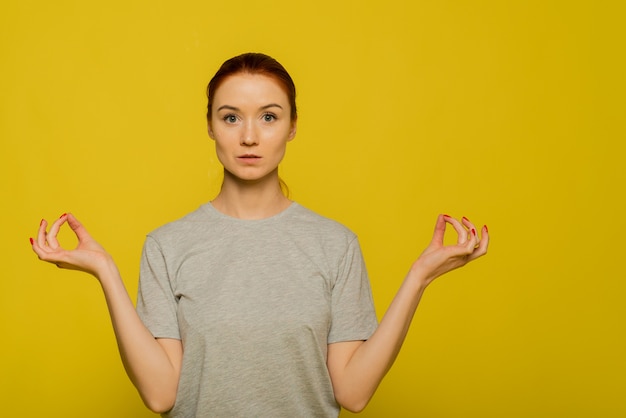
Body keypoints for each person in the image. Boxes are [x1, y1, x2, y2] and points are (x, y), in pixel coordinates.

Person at [30, 52, 489, 417]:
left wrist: (420, 277)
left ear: (292, 126)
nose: (249, 136)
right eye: (231, 118)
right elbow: (159, 395)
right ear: (210, 125)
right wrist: (105, 272)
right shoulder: (167, 246)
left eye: (268, 117)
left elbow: (353, 393)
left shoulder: (335, 244)